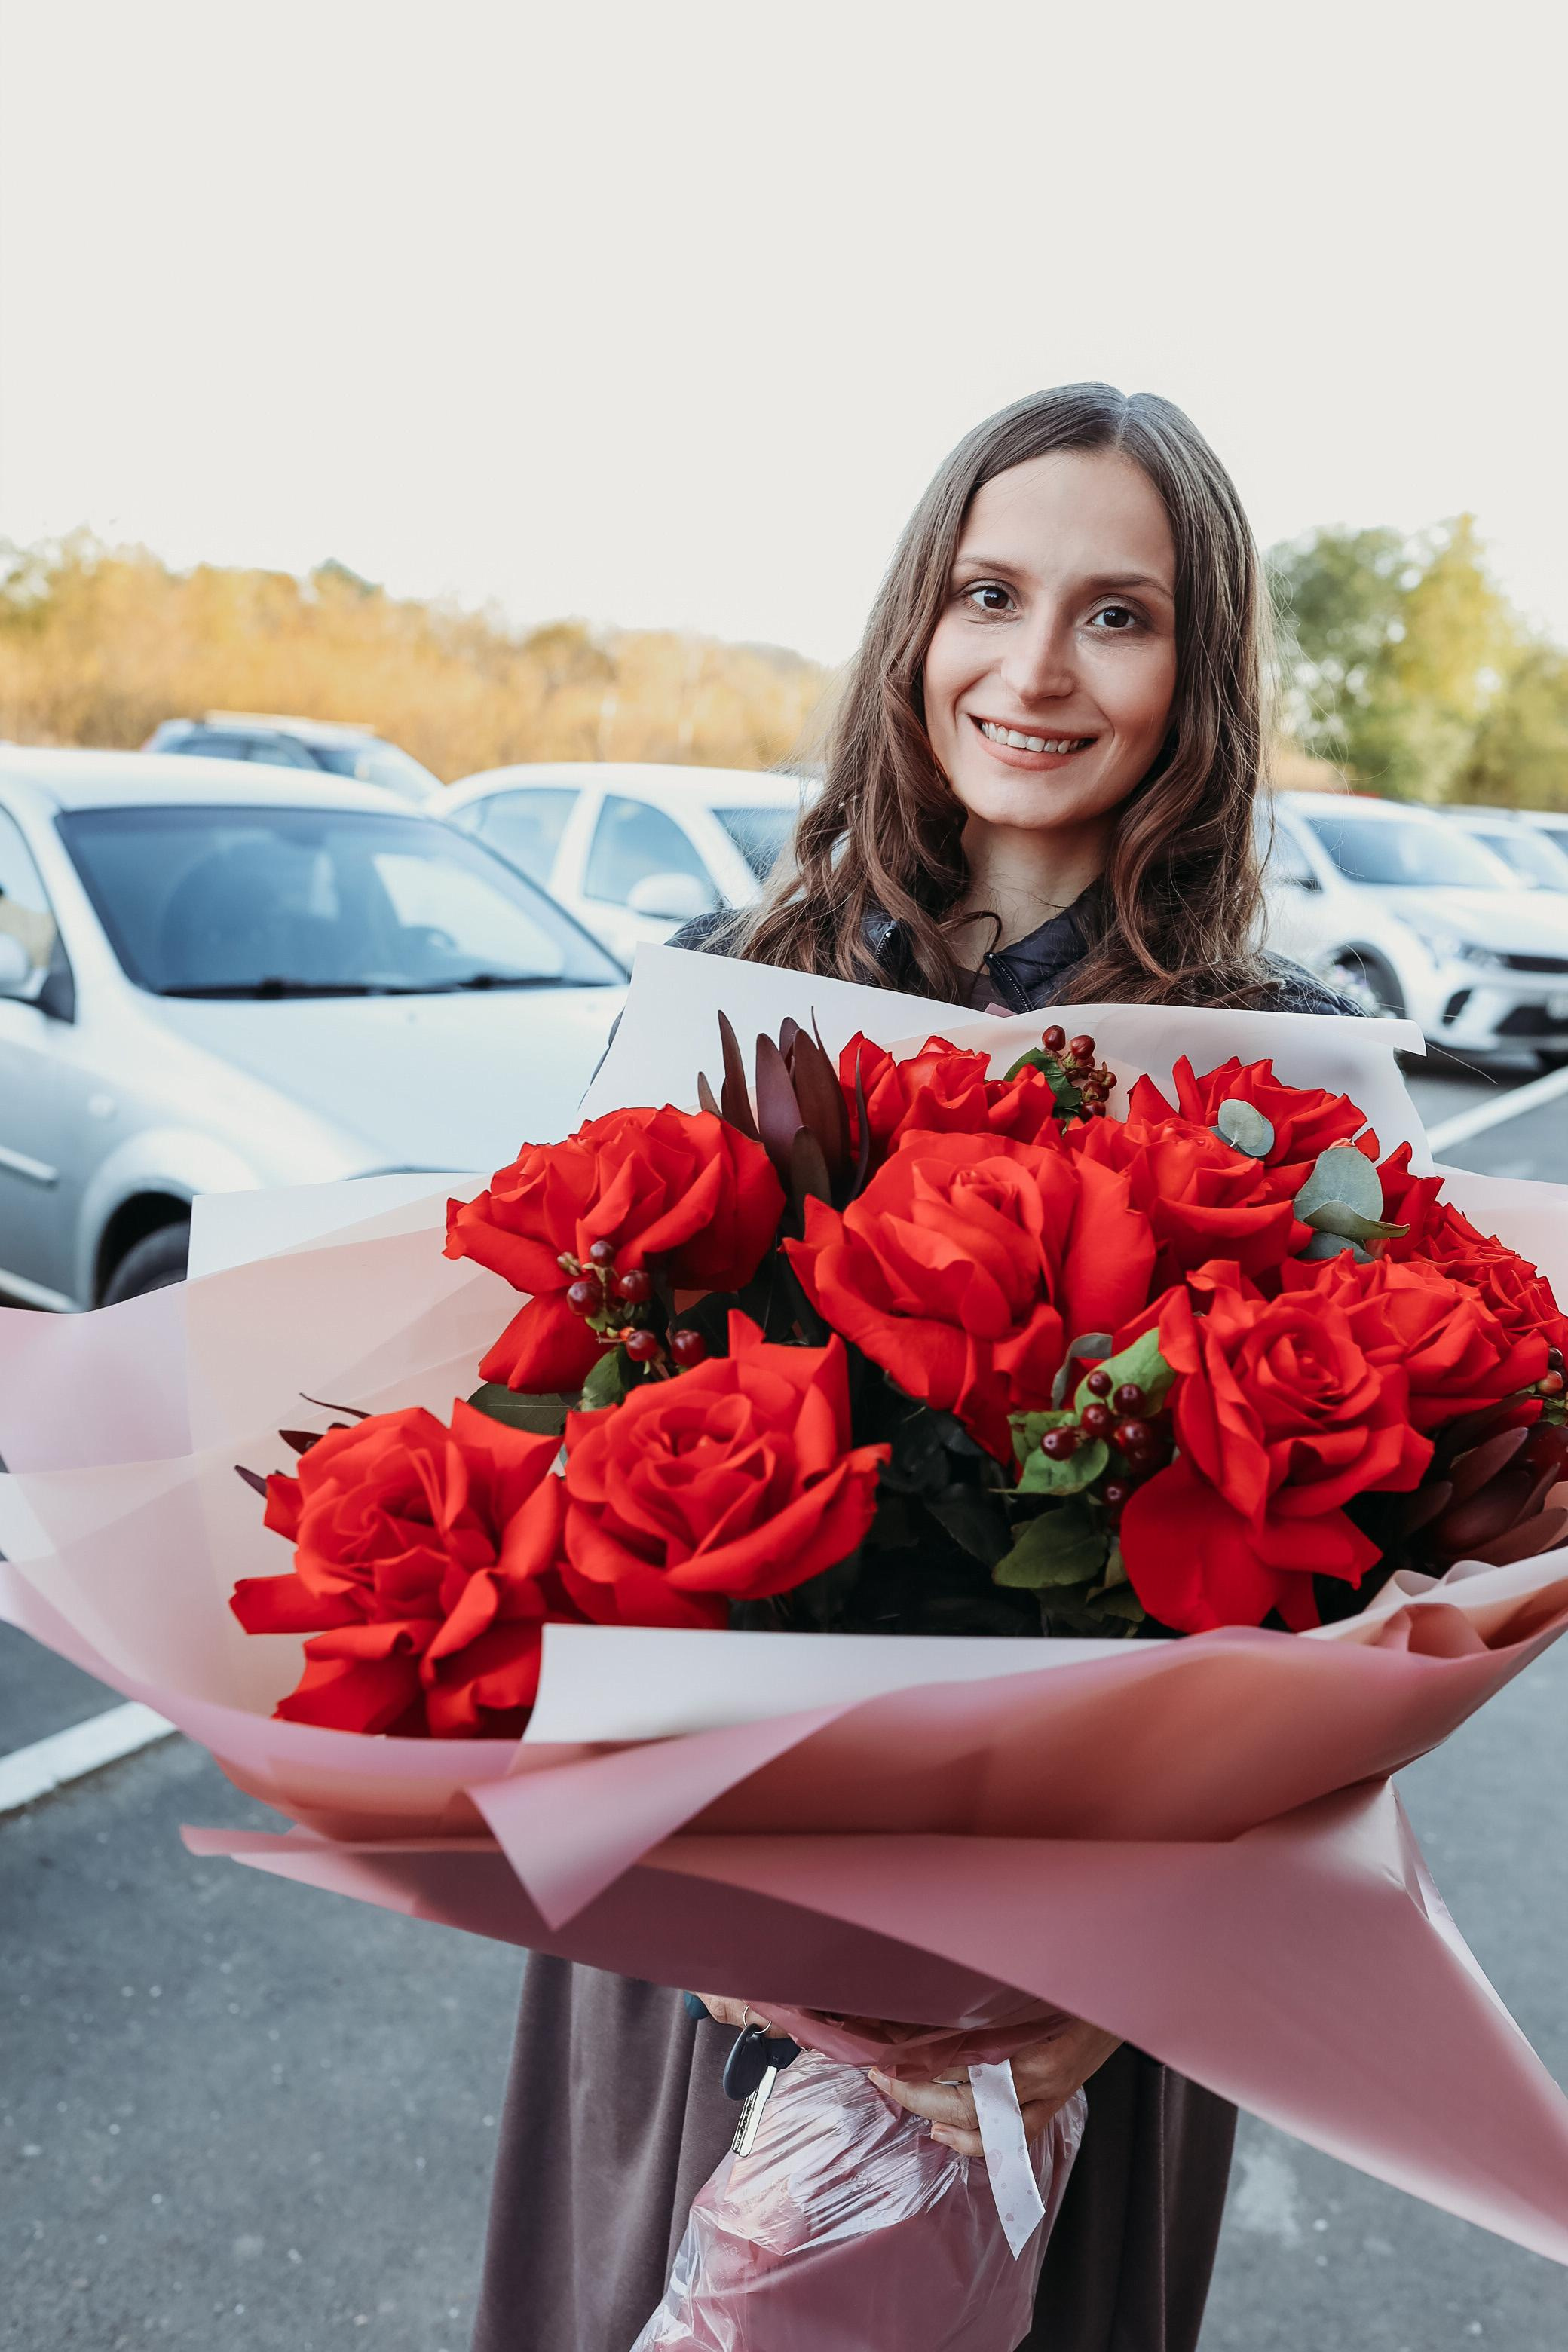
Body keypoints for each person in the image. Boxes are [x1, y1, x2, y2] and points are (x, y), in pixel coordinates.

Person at [470, 381, 1361, 2352]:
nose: (1035, 671)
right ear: (918, 624)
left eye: (1118, 615)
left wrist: (1113, 1980)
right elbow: (556, 1457)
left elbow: (1359, 1606)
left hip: (1075, 2009)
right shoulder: (732, 982)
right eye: (989, 594)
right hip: (696, 1950)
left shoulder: (1279, 1068)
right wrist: (683, 1884)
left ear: (1201, 671)